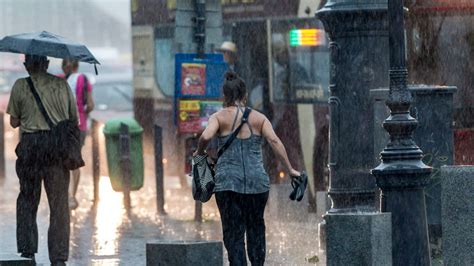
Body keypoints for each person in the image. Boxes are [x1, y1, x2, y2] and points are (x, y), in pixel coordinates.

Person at [193, 71, 301, 265]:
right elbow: (274, 141)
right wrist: (290, 169)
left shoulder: (218, 117)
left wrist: (200, 152)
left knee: (234, 234)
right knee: (256, 228)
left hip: (228, 185)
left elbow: (206, 137)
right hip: (257, 185)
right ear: (245, 96)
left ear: (224, 96)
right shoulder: (259, 118)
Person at [7, 54, 78, 265]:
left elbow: (13, 121)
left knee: (28, 201)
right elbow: (73, 118)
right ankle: (58, 258)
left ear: (26, 65)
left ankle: (28, 252)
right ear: (47, 65)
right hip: (56, 149)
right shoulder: (62, 86)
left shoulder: (20, 85)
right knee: (59, 205)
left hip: (30, 149)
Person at [61, 59, 94, 209]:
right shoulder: (83, 79)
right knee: (74, 161)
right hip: (79, 126)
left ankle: (67, 196)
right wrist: (83, 113)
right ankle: (71, 197)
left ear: (66, 65)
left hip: (62, 127)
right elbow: (91, 105)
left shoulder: (59, 81)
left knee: (62, 161)